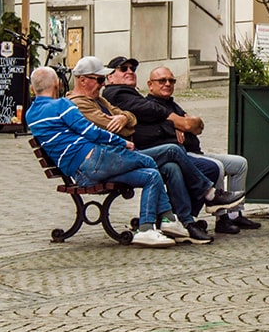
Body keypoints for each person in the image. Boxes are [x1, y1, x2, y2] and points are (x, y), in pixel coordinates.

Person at [26, 66, 188, 248]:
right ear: (57, 84)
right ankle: (167, 219)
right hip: (94, 160)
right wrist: (122, 143)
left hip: (81, 175)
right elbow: (91, 131)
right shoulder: (62, 105)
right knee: (148, 160)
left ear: (33, 88)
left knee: (151, 174)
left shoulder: (30, 114)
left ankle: (147, 226)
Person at [67, 55, 224, 243]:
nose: (102, 84)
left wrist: (124, 118)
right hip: (105, 163)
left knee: (171, 168)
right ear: (82, 80)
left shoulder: (99, 100)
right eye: (100, 80)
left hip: (117, 158)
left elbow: (130, 118)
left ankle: (184, 222)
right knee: (172, 151)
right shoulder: (79, 103)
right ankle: (208, 193)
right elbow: (111, 125)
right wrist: (125, 121)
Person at [103, 58, 254, 234]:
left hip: (177, 151)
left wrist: (186, 123)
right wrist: (175, 122)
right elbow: (148, 117)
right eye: (123, 69)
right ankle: (200, 210)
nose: (130, 71)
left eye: (132, 68)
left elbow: (195, 127)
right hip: (138, 154)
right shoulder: (118, 94)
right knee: (209, 166)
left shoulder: (156, 100)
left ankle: (194, 217)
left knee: (237, 163)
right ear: (110, 77)